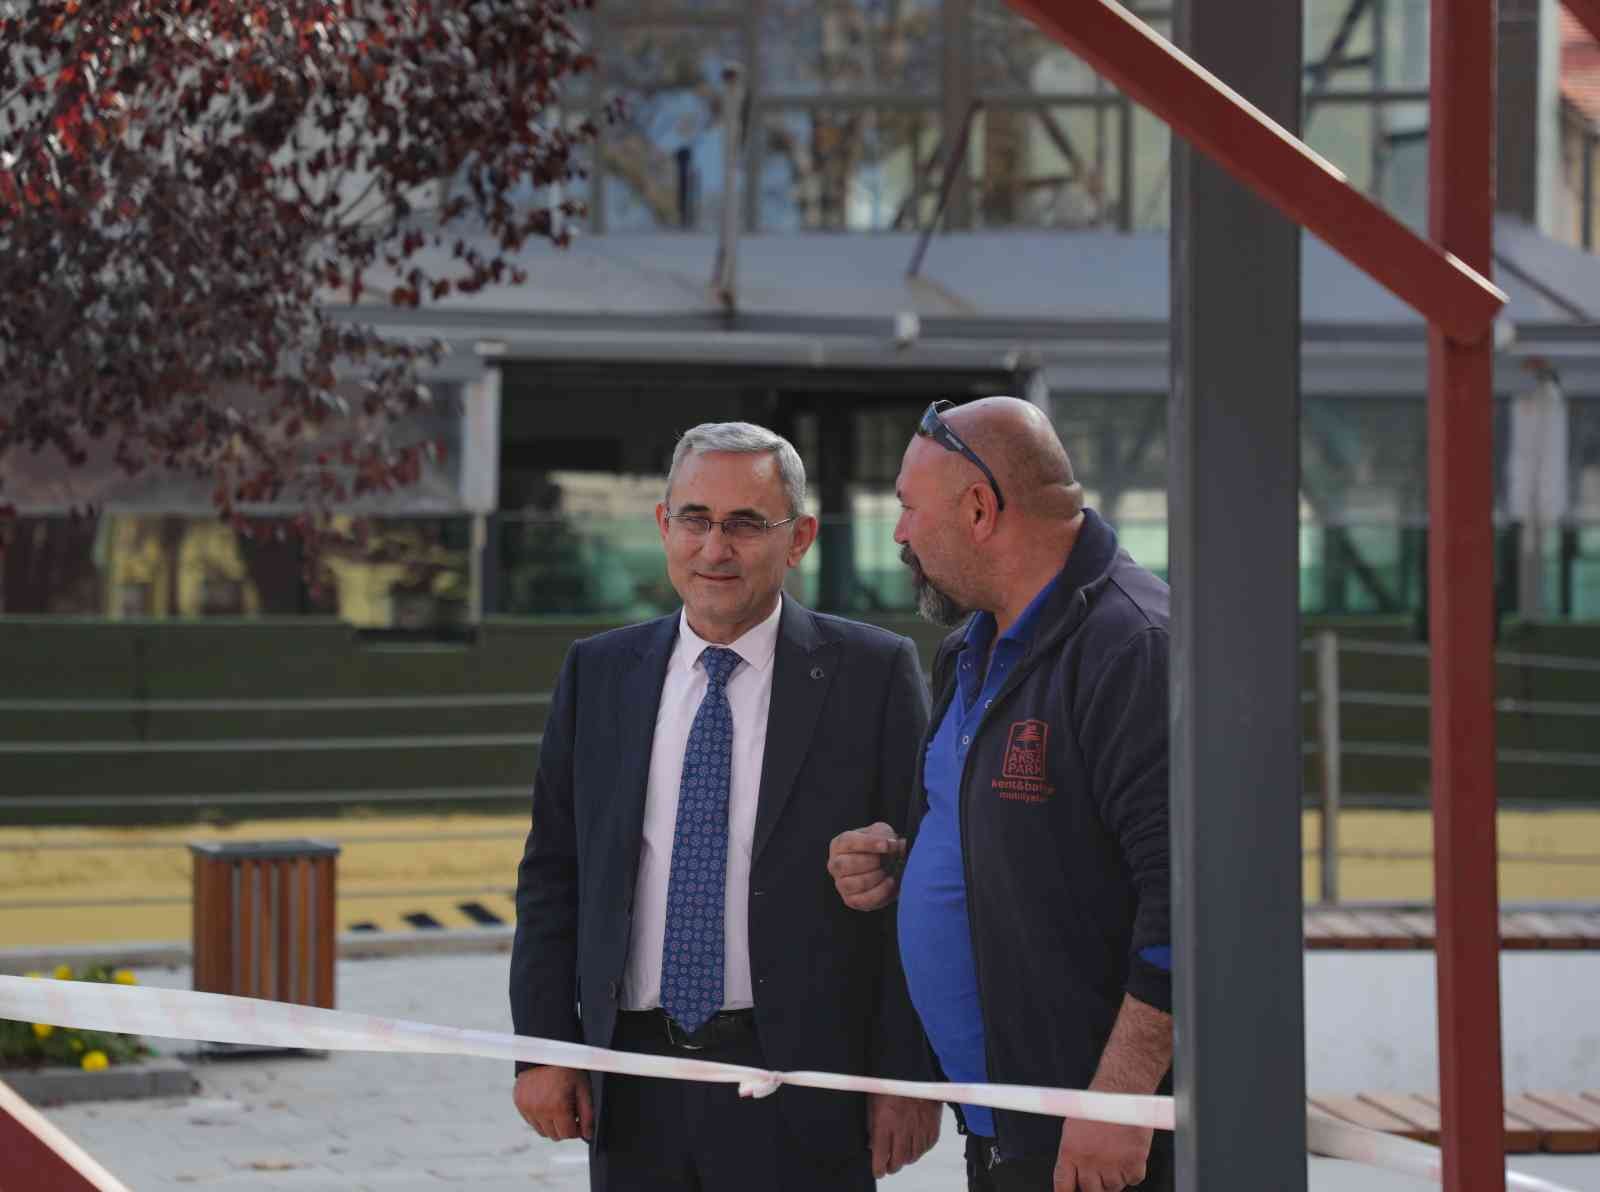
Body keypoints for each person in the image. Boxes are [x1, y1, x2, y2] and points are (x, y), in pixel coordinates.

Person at [510, 421, 941, 1191]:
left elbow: (919, 891)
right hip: (632, 1084)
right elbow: (552, 875)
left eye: (746, 523)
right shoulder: (598, 674)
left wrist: (905, 1077)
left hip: (805, 1090)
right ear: (663, 525)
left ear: (799, 537)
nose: (716, 548)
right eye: (696, 519)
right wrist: (544, 1050)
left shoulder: (872, 675)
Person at [827, 396, 1174, 1192]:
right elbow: (1042, 841)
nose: (900, 534)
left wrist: (1121, 1099)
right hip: (1003, 1132)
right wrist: (902, 867)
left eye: (909, 508)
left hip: (1100, 1147)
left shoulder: (1134, 647)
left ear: (980, 509)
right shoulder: (968, 650)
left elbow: (1186, 902)